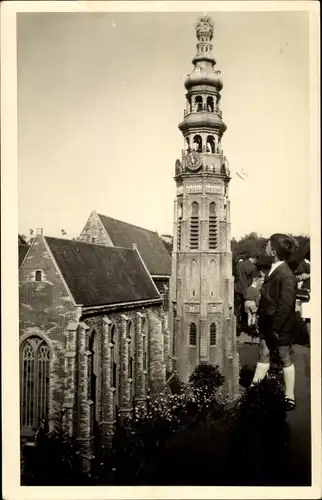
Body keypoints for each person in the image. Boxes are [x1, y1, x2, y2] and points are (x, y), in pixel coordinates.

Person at [251, 234, 297, 411]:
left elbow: (286, 305)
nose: (266, 247)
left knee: (285, 357)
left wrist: (276, 328)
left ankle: (289, 395)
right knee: (263, 353)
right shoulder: (274, 268)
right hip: (267, 323)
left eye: (269, 244)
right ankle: (255, 388)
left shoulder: (286, 274)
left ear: (275, 250)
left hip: (279, 326)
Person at [234, 253, 258, 332]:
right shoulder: (253, 267)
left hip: (237, 289)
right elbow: (253, 281)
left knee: (237, 308)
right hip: (246, 291)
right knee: (246, 309)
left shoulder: (239, 264)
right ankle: (245, 325)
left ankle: (237, 325)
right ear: (254, 259)